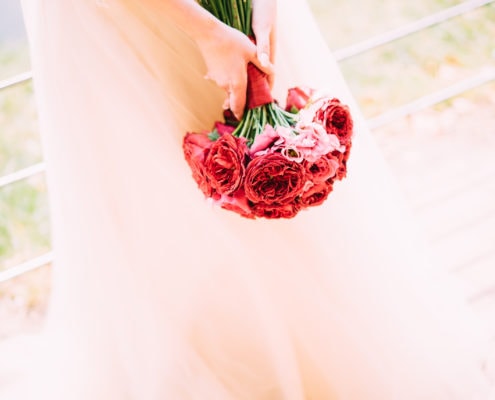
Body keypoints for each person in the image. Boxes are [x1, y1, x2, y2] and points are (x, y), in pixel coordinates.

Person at [5, 0, 493, 398]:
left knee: (278, 212)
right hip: (117, 23)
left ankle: (314, 350)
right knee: (148, 199)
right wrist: (203, 29)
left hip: (246, 15)